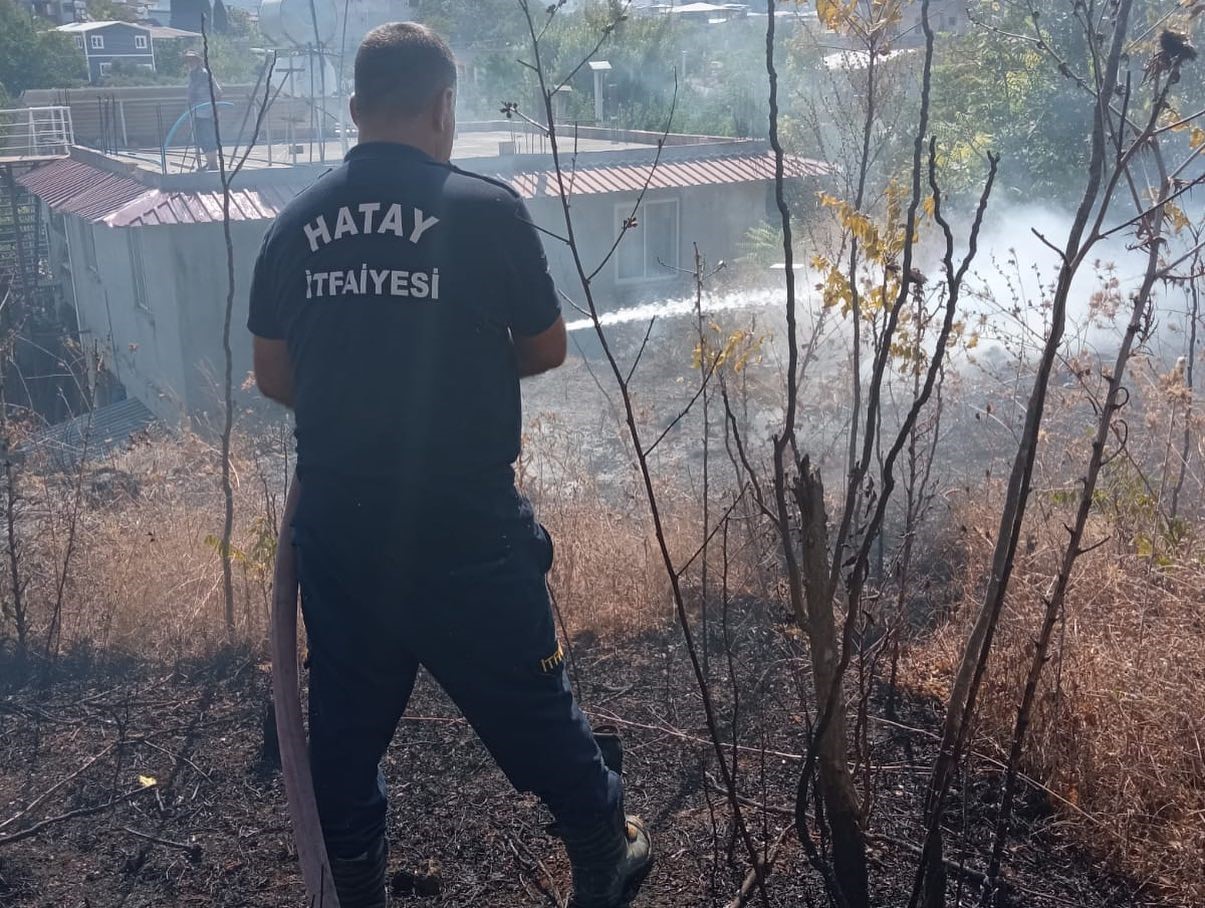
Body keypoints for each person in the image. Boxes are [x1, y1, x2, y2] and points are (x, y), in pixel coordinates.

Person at [247, 22, 652, 908]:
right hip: (464, 527)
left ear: (354, 111)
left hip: (343, 534)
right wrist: (452, 366)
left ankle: (354, 883)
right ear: (443, 108)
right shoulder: (485, 209)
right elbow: (545, 349)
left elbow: (274, 375)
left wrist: (364, 386)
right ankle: (602, 846)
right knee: (533, 708)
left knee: (344, 737)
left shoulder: (294, 221)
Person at [184, 48, 220, 171]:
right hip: (197, 112)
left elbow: (218, 92)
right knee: (202, 139)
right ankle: (210, 163)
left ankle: (213, 164)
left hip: (205, 112)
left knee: (207, 138)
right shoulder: (193, 75)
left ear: (198, 61)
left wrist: (213, 108)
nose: (190, 63)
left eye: (192, 60)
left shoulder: (203, 74)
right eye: (188, 61)